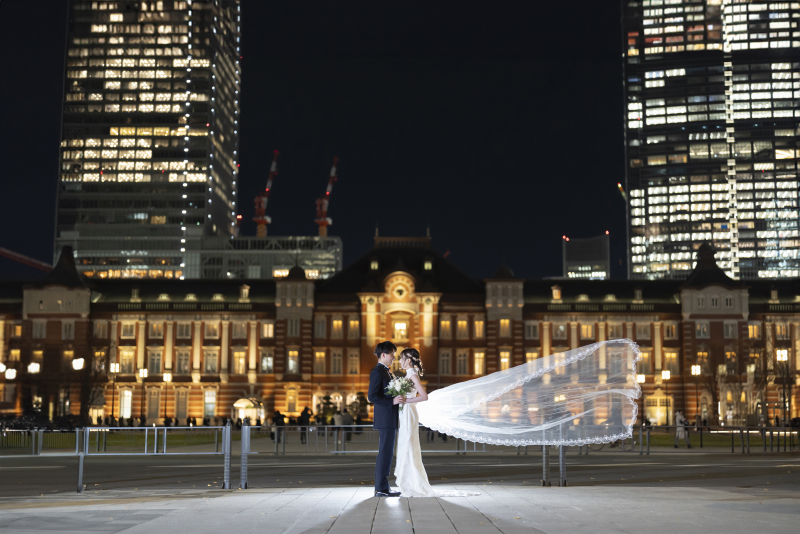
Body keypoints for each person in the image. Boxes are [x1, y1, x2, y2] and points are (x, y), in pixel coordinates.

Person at [368, 341, 404, 497]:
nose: (394, 358)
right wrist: (392, 401)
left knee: (387, 452)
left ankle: (383, 487)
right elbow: (372, 396)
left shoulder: (387, 372)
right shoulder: (378, 371)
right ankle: (381, 488)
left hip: (389, 418)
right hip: (385, 418)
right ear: (383, 355)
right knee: (385, 452)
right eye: (392, 355)